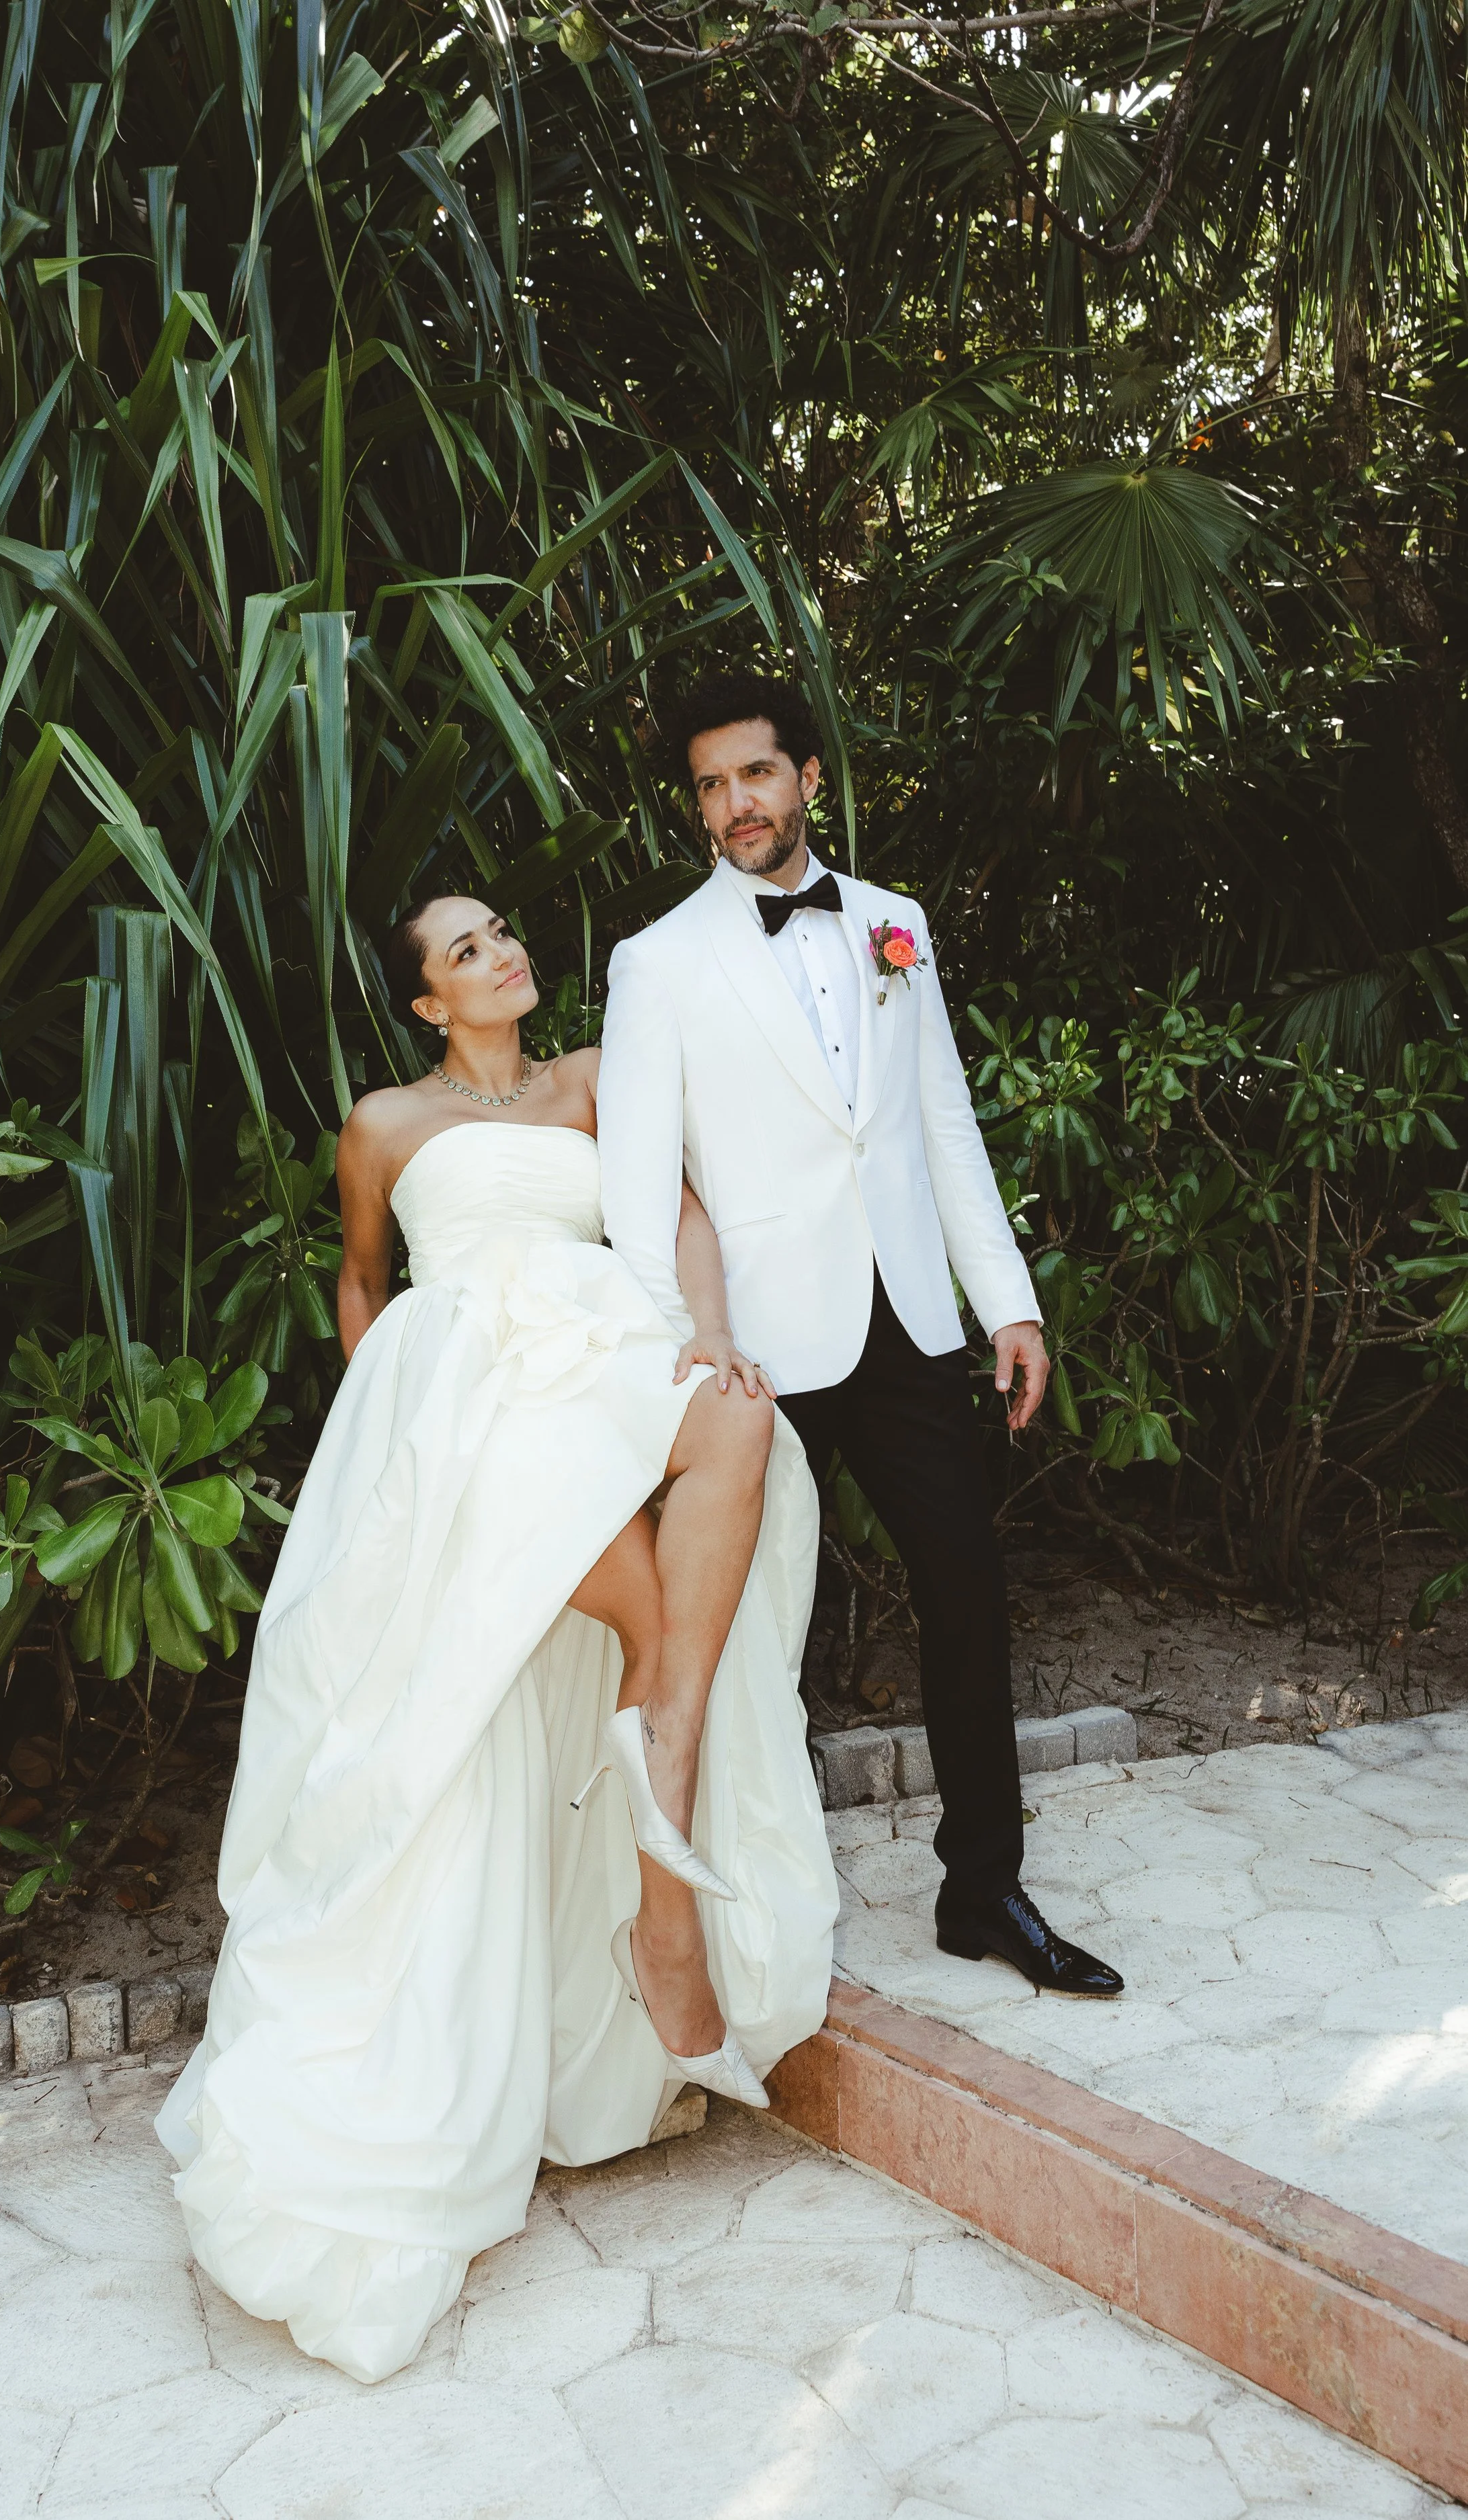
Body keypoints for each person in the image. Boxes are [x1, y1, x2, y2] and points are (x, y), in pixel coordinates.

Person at [157, 892, 836, 2384]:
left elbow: (679, 1213)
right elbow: (362, 1280)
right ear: (426, 1003)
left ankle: (660, 1807)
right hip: (472, 1393)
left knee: (738, 1419)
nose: (499, 953)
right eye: (462, 950)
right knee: (633, 1597)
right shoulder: (384, 1122)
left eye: (501, 932)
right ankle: (665, 1902)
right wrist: (390, 1435)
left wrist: (710, 1327)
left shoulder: (594, 1076)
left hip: (600, 1350)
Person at [596, 669, 1123, 2000]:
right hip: (752, 1356)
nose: (734, 804)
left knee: (966, 1594)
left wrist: (1004, 1300)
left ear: (809, 777)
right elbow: (638, 1185)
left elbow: (940, 1120)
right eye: (710, 786)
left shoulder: (895, 924)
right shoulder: (658, 961)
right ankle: (714, 1914)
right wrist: (679, 1355)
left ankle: (982, 1888)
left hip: (904, 1323)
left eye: (755, 774)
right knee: (737, 1634)